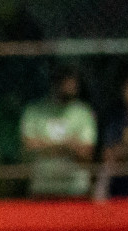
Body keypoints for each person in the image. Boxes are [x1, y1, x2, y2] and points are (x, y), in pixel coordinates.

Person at [20, 70, 96, 198]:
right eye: (67, 81)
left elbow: (86, 152)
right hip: (42, 189)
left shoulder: (83, 113)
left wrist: (45, 145)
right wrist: (68, 144)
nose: (72, 86)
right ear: (55, 84)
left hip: (76, 189)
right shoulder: (35, 110)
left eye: (74, 82)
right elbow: (28, 147)